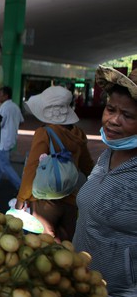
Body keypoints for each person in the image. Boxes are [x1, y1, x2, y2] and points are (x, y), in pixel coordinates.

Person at [73, 66, 137, 297]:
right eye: (111, 109)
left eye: (127, 116)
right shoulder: (107, 155)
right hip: (84, 286)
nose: (113, 120)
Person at [15, 85, 94, 242]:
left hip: (45, 202)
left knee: (45, 250)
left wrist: (21, 198)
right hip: (71, 200)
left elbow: (32, 168)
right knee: (65, 250)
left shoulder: (44, 133)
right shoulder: (78, 134)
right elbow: (88, 167)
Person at [0, 86, 24, 192]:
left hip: (3, 140)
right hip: (10, 139)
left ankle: (20, 185)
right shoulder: (15, 106)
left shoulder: (4, 107)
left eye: (0, 94)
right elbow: (21, 120)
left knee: (4, 165)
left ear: (6, 95)